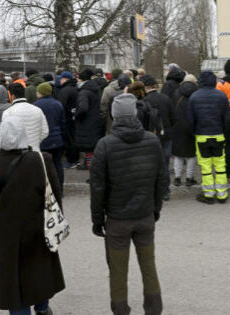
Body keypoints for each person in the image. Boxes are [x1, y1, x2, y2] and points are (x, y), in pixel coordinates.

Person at [0, 116, 64, 315]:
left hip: (3, 232)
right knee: (38, 270)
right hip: (38, 226)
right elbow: (55, 195)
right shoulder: (42, 160)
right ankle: (42, 308)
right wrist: (56, 222)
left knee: (13, 284)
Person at [90, 93, 165, 315]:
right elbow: (161, 179)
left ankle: (120, 310)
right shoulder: (152, 141)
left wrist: (97, 220)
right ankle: (154, 309)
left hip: (117, 219)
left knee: (118, 270)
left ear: (113, 115)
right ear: (134, 113)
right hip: (145, 215)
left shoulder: (105, 145)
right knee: (149, 265)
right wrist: (155, 208)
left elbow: (97, 187)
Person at [187, 70, 230, 204]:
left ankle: (209, 194)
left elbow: (190, 119)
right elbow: (226, 119)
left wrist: (195, 132)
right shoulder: (222, 96)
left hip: (201, 136)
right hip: (218, 135)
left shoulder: (194, 97)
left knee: (205, 167)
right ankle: (222, 194)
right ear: (214, 81)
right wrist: (224, 133)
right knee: (220, 166)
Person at [142, 75, 175, 200]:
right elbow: (173, 118)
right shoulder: (166, 99)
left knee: (150, 165)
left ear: (146, 87)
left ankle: (153, 191)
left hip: (149, 138)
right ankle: (165, 191)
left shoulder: (144, 101)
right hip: (166, 136)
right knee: (165, 165)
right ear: (156, 86)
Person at [34, 82, 66, 188]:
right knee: (57, 164)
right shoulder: (58, 104)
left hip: (42, 140)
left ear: (41, 92)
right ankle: (59, 188)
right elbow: (62, 123)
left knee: (43, 166)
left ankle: (46, 189)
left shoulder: (36, 105)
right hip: (57, 139)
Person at [3, 83, 49, 152]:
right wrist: (35, 142)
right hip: (35, 152)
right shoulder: (37, 110)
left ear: (13, 96)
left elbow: (6, 136)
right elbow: (45, 131)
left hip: (18, 154)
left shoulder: (7, 113)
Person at [74, 69, 104, 169]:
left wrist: (76, 114)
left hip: (86, 121)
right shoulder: (95, 88)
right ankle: (89, 164)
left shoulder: (84, 91)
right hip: (95, 119)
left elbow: (83, 108)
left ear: (81, 79)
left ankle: (90, 166)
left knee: (88, 144)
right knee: (91, 143)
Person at [171, 74, 198, 187]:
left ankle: (177, 178)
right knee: (191, 154)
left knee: (178, 154)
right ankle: (189, 178)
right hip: (193, 126)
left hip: (177, 126)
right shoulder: (197, 93)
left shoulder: (176, 93)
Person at [56, 71, 79, 168]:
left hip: (67, 118)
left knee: (69, 140)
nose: (60, 80)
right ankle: (74, 159)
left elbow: (61, 105)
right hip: (74, 117)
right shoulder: (75, 88)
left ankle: (72, 160)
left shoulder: (65, 90)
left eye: (61, 78)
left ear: (65, 79)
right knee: (73, 138)